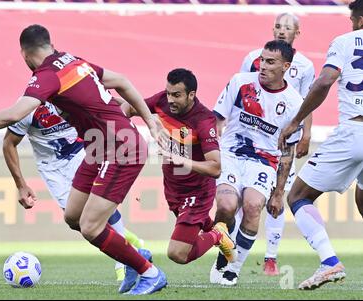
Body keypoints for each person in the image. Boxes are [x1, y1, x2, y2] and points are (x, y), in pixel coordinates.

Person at [0, 24, 167, 295]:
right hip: (98, 149)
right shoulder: (74, 62)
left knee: (91, 227)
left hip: (120, 148)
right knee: (73, 216)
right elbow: (122, 81)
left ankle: (150, 273)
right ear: (49, 43)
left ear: (25, 54)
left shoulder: (47, 75)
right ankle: (133, 256)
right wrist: (148, 119)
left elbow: (13, 115)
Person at [3, 101, 146, 282]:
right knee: (75, 220)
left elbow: (107, 100)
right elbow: (9, 143)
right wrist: (21, 185)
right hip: (52, 168)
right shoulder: (28, 107)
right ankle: (129, 241)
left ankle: (124, 260)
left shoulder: (72, 93)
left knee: (99, 201)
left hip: (82, 152)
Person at [279, 0, 363, 290]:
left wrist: (296, 120)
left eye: (353, 20)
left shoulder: (345, 41)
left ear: (360, 20)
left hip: (355, 130)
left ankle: (329, 262)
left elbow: (325, 80)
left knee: (297, 196)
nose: (351, 24)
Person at [209, 40, 304, 286]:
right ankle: (224, 254)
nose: (262, 66)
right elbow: (216, 120)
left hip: (263, 161)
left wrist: (278, 194)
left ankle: (233, 269)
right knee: (227, 206)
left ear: (285, 66)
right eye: (262, 60)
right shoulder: (241, 82)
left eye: (270, 62)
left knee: (252, 207)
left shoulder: (294, 103)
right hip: (230, 153)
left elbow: (287, 152)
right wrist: (209, 152)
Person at [121, 68, 237, 267]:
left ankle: (217, 235)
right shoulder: (161, 102)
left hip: (197, 192)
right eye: (168, 93)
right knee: (194, 228)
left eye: (176, 95)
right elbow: (129, 108)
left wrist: (181, 159)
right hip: (173, 187)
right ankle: (219, 231)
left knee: (178, 253)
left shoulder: (204, 120)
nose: (170, 99)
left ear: (191, 95)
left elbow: (216, 168)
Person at [239, 13, 315, 276]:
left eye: (288, 27)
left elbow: (308, 102)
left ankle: (271, 256)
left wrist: (306, 134)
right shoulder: (252, 58)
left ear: (297, 33)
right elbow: (241, 92)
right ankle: (234, 251)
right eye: (279, 27)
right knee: (244, 194)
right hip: (252, 135)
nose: (282, 31)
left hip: (283, 139)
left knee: (277, 194)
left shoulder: (305, 65)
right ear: (273, 29)